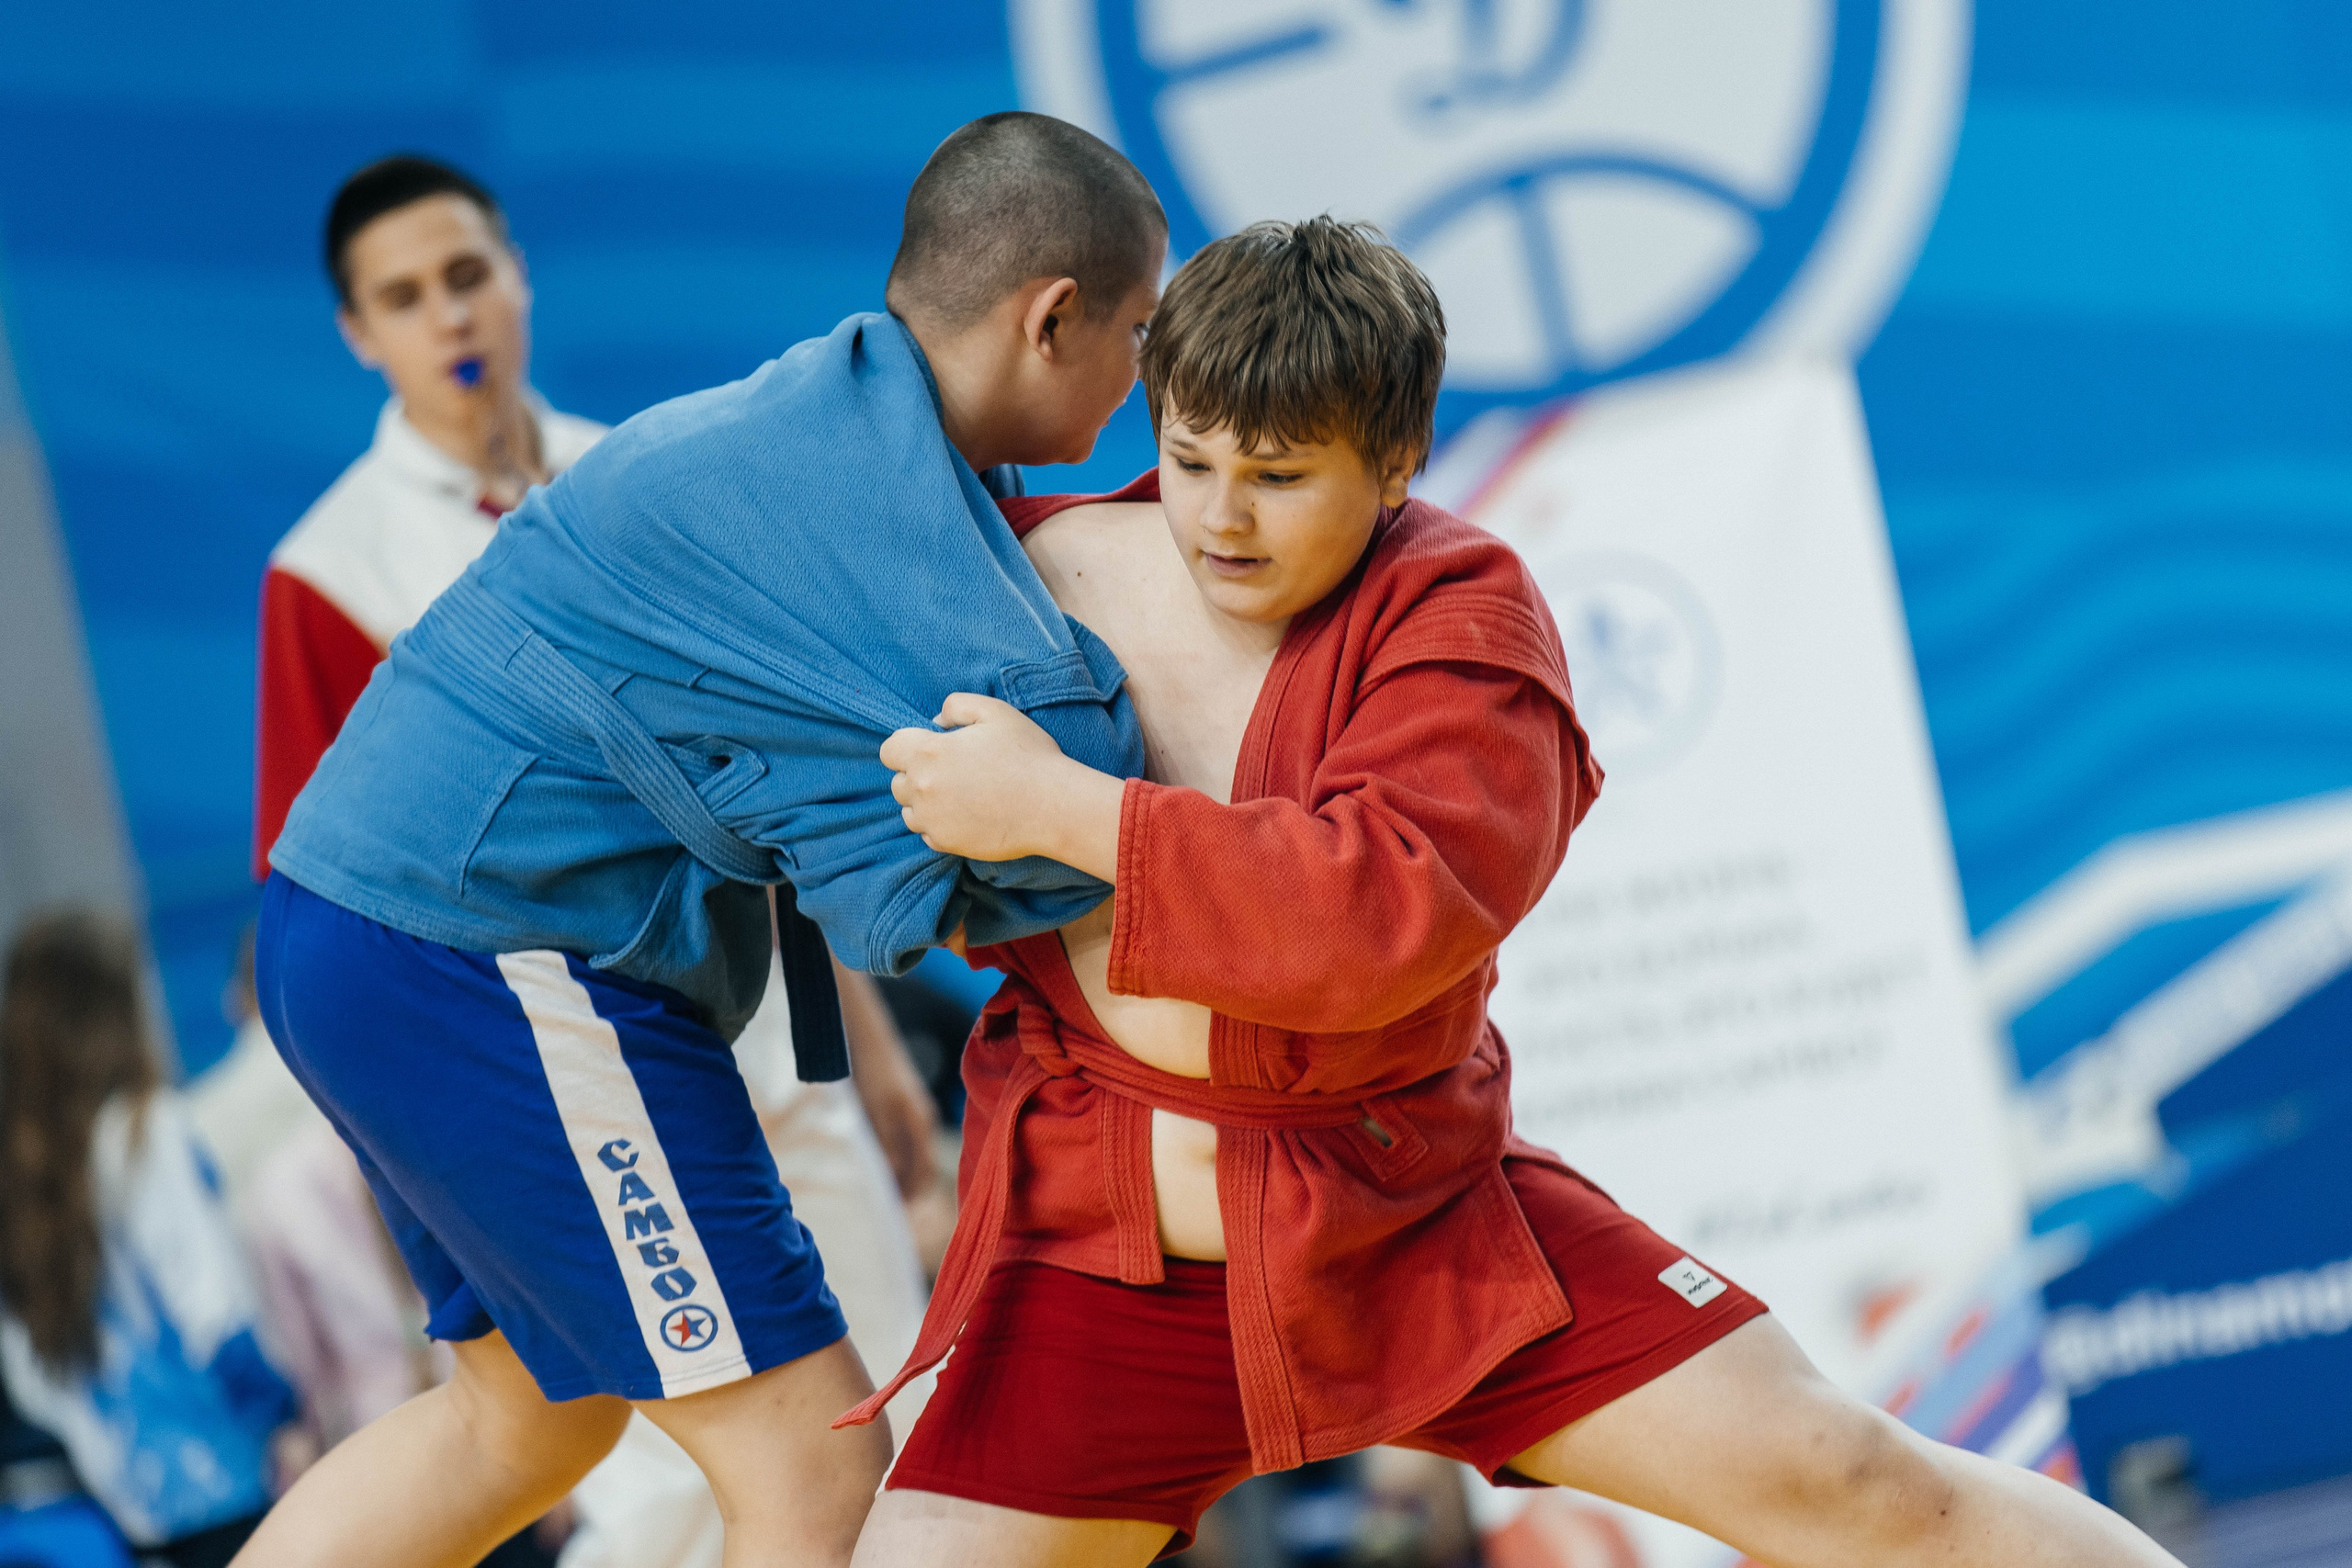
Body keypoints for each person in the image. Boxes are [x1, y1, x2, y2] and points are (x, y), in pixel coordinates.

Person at [854, 218, 2186, 1568]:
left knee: (1850, 1474)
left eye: (1278, 474)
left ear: (1396, 463)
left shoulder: (1461, 613)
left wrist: (1063, 810)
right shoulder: (1039, 567)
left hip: (1409, 1219)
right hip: (1110, 1263)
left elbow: (1371, 921)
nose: (1222, 515)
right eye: (1191, 458)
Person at [238, 112, 1167, 1568]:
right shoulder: (862, 496)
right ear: (1054, 320)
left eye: (467, 275)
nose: (1145, 378)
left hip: (381, 942)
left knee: (527, 1425)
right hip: (496, 961)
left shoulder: (809, 429)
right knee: (815, 1473)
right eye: (1139, 334)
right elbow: (952, 860)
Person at [0, 913, 299, 1568]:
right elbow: (218, 1316)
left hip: (135, 1515)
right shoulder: (144, 1134)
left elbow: (31, 1380)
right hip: (238, 1485)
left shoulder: (23, 1185)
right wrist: (289, 1419)